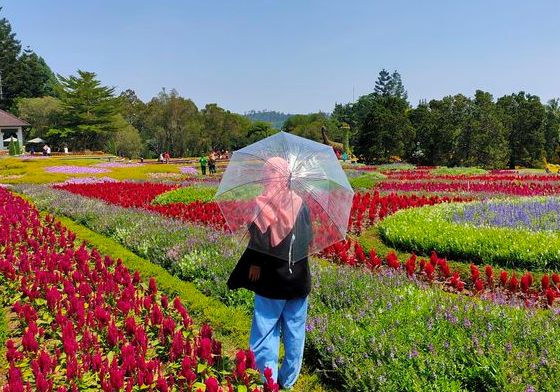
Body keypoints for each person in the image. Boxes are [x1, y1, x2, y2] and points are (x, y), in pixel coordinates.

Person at [227, 157, 313, 390]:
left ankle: (267, 379)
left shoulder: (263, 203)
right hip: (298, 278)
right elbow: (309, 239)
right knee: (295, 331)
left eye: (268, 172)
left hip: (271, 280)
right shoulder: (300, 203)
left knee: (266, 328)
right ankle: (288, 379)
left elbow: (258, 243)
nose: (266, 176)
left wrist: (255, 264)